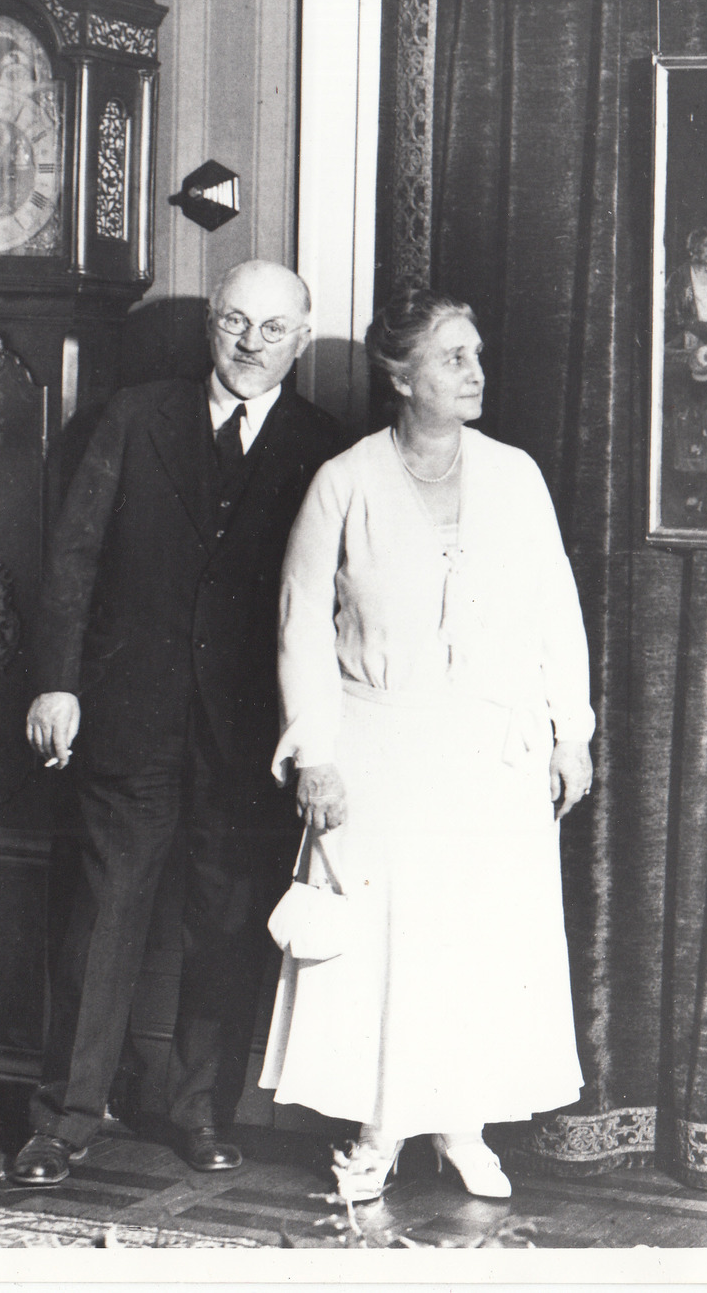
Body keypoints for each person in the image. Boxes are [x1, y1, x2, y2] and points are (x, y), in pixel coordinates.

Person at [257, 282, 595, 1204]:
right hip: (379, 745)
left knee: (475, 941)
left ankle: (462, 1125)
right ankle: (377, 1132)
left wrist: (571, 732)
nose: (476, 372)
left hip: (492, 752)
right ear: (401, 376)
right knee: (387, 945)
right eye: (454, 357)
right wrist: (314, 751)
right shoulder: (346, 481)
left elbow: (554, 610)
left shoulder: (516, 476)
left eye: (476, 356)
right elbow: (300, 626)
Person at [13, 260, 348, 1187]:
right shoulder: (133, 415)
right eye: (236, 321)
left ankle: (201, 1109)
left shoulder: (327, 446)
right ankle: (65, 1119)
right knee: (104, 918)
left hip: (249, 736)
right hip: (131, 719)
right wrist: (58, 682)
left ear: (302, 338)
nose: (250, 343)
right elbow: (73, 553)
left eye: (273, 329)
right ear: (211, 325)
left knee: (227, 923)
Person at [666, 226, 707, 347]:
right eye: (706, 245)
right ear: (693, 247)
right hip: (690, 342)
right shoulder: (679, 277)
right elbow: (671, 315)